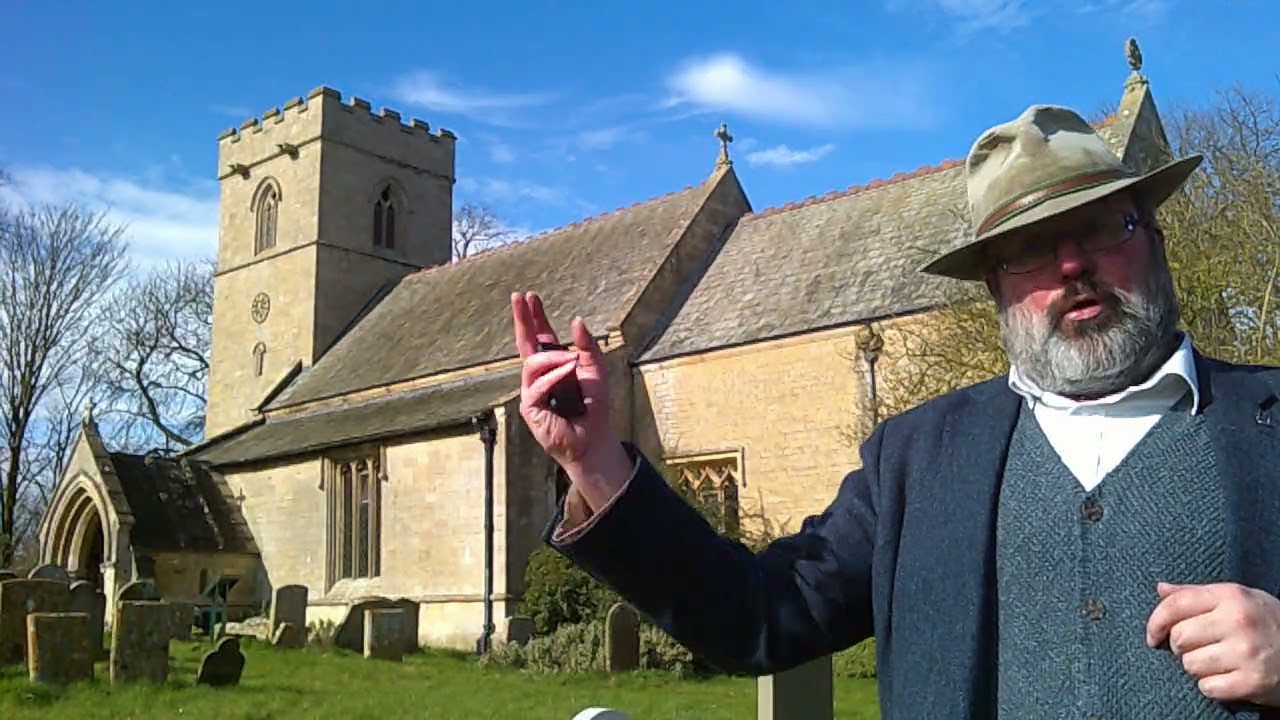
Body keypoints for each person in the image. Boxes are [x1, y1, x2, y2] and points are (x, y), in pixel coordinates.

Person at [510, 104, 1280, 719]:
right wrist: (595, 461)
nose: (1072, 266)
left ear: (1156, 239)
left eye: (1102, 229)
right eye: (1029, 249)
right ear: (995, 290)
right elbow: (759, 617)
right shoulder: (917, 460)